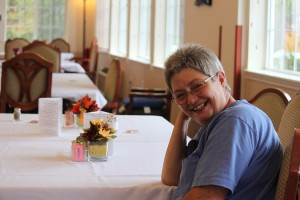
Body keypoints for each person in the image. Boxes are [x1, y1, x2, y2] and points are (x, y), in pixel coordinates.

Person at [161, 44, 282, 200]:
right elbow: (172, 177)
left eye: (197, 86)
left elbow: (206, 197)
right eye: (180, 95)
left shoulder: (233, 122)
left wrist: (188, 105)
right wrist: (184, 116)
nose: (191, 99)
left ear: (220, 79)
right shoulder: (216, 120)